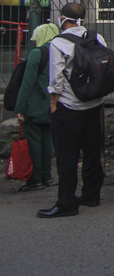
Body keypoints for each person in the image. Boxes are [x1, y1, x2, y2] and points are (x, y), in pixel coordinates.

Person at [37, 3, 108, 219]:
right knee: (92, 151)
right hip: (94, 104)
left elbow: (56, 77)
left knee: (67, 155)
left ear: (62, 18)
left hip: (69, 106)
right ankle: (91, 195)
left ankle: (67, 202)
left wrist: (53, 102)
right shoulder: (97, 37)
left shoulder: (59, 42)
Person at [15, 22, 59, 192]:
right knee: (47, 141)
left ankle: (36, 178)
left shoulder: (36, 53)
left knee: (33, 140)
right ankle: (47, 176)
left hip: (35, 105)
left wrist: (20, 107)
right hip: (53, 104)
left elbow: (27, 83)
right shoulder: (60, 51)